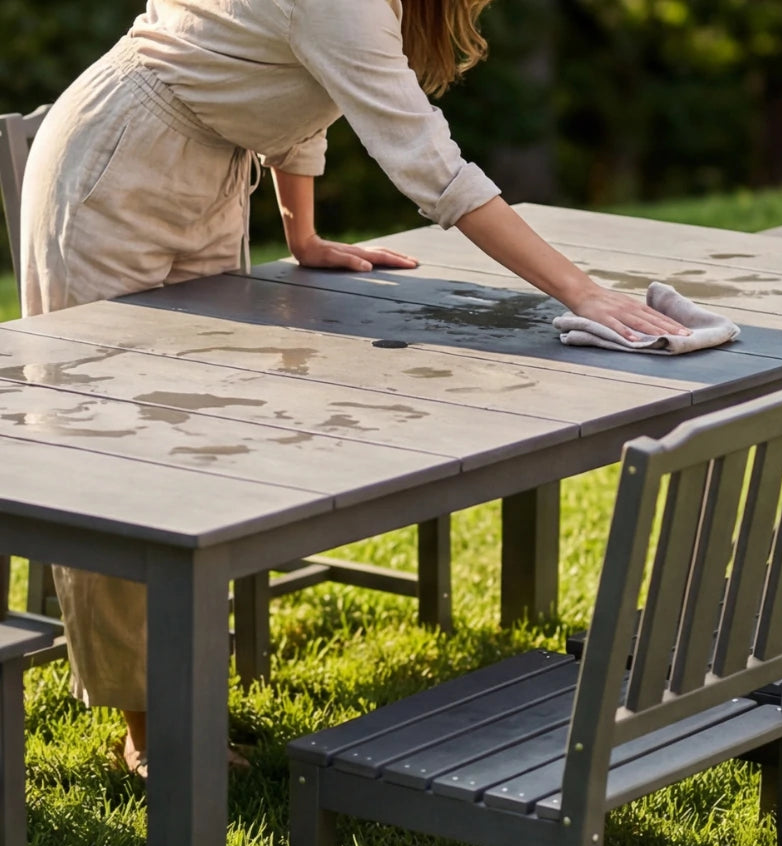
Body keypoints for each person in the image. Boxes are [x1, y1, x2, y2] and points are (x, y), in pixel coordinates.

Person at [19, 0, 688, 778]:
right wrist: (582, 293)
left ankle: (176, 679)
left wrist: (299, 232)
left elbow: (297, 87)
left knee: (193, 443)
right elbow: (431, 166)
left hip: (206, 167)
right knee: (121, 453)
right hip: (114, 169)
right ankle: (151, 725)